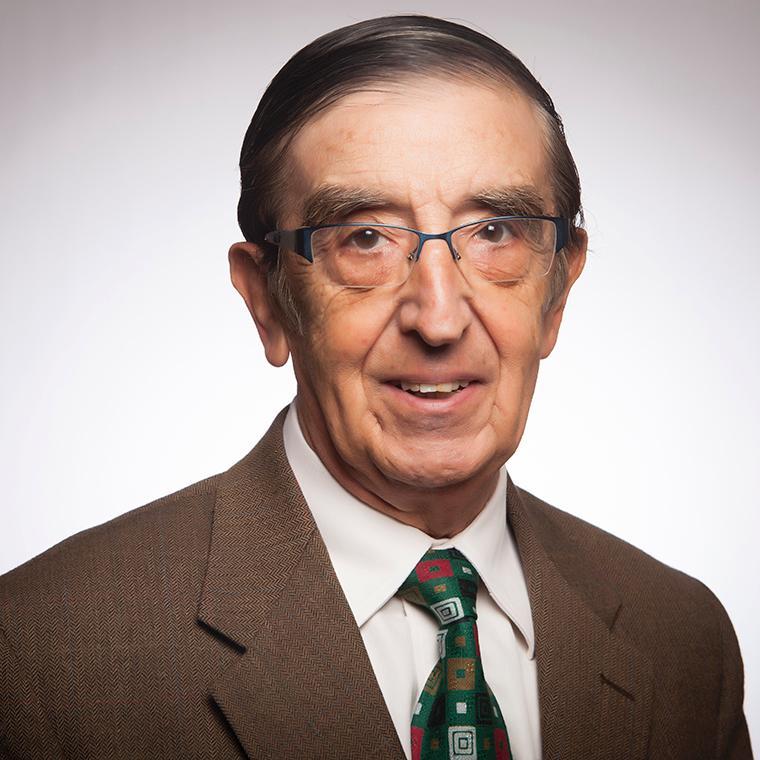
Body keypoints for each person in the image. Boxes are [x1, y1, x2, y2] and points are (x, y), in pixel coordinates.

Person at [0, 15, 752, 760]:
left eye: (495, 232)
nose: (439, 317)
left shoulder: (682, 640)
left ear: (558, 292)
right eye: (365, 238)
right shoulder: (41, 652)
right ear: (266, 300)